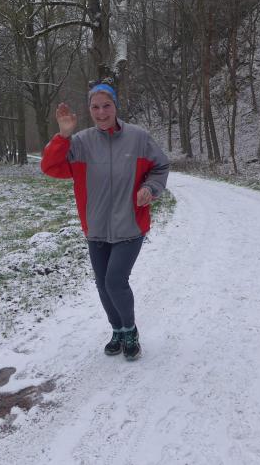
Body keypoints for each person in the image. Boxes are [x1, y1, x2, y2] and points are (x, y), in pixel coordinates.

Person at [40, 83, 170, 361]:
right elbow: (50, 167)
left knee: (115, 281)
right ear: (89, 110)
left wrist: (151, 188)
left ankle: (130, 331)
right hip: (96, 227)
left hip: (130, 224)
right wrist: (63, 135)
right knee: (102, 284)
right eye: (95, 107)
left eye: (106, 106)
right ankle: (117, 330)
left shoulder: (138, 138)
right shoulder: (80, 143)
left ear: (116, 106)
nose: (101, 112)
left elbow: (161, 166)